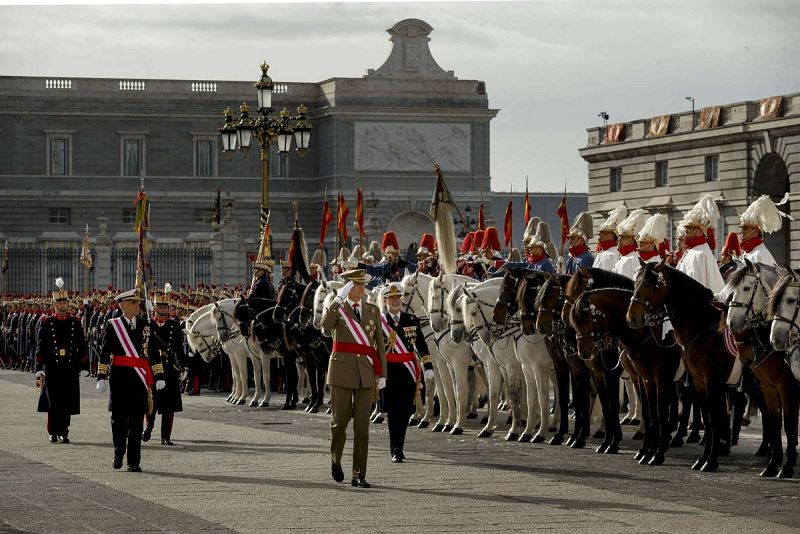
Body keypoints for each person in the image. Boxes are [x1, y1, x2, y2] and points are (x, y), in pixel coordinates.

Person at [321, 269, 386, 488]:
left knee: (362, 427)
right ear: (348, 287)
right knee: (339, 423)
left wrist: (382, 373)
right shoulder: (338, 309)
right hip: (341, 371)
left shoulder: (372, 310)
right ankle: (335, 458)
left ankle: (359, 473)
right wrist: (338, 299)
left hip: (366, 373)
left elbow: (379, 345)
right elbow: (325, 326)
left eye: (362, 285)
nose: (361, 289)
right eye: (356, 285)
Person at [96, 289, 164, 472]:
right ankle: (119, 453)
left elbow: (153, 351)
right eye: (133, 303)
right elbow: (104, 351)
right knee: (118, 420)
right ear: (122, 305)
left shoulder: (145, 325)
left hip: (139, 379)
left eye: (137, 302)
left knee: (136, 421)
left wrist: (159, 375)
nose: (137, 305)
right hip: (119, 377)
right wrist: (101, 376)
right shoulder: (112, 325)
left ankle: (134, 461)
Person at [380, 283, 434, 463]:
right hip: (388, 372)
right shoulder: (381, 321)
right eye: (391, 298)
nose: (395, 301)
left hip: (408, 371)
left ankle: (399, 446)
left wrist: (428, 367)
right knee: (392, 411)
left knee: (404, 412)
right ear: (385, 300)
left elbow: (421, 344)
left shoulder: (411, 319)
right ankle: (395, 448)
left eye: (397, 298)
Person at [34, 278, 88, 443]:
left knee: (67, 400)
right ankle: (53, 431)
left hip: (70, 366)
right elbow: (41, 345)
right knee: (53, 401)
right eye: (60, 303)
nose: (63, 306)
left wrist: (84, 365)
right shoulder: (47, 322)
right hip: (53, 366)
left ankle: (64, 431)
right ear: (54, 304)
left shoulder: (75, 322)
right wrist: (39, 366)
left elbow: (82, 344)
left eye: (65, 303)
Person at [143, 286, 186, 446]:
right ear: (154, 308)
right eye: (160, 306)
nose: (163, 309)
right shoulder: (148, 324)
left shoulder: (174, 325)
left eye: (165, 307)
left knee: (169, 406)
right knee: (151, 403)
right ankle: (149, 428)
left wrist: (183, 365)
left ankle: (165, 436)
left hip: (169, 368)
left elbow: (179, 349)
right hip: (152, 367)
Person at [678, 194, 725, 294]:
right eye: (686, 228)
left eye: (690, 228)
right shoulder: (692, 251)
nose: (686, 231)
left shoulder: (700, 253)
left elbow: (697, 289)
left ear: (700, 231)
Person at [738, 193, 792, 267]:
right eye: (742, 228)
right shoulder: (748, 252)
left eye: (745, 229)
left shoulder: (760, 254)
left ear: (756, 232)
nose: (742, 232)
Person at [612, 209, 649, 279]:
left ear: (632, 240)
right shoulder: (622, 257)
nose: (619, 239)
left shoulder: (634, 258)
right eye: (619, 237)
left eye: (623, 237)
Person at [593, 206, 627, 271]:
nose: (599, 234)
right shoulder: (602, 252)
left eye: (603, 232)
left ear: (611, 235)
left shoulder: (616, 252)